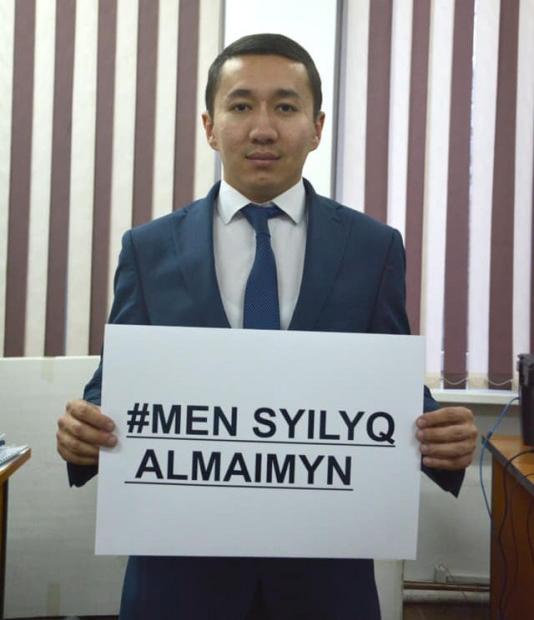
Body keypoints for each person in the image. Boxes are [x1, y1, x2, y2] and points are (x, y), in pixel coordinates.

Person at [57, 33, 478, 620]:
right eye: (240, 105)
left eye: (284, 106)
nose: (262, 128)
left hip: (324, 579)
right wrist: (83, 430)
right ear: (210, 126)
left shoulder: (373, 248)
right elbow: (117, 386)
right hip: (180, 578)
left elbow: (389, 390)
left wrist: (444, 438)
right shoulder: (149, 248)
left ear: (317, 127)